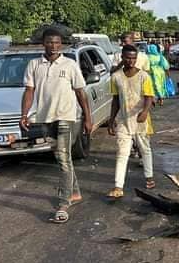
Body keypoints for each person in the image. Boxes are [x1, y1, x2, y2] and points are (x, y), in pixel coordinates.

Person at [21, 27, 93, 224]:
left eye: (57, 43)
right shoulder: (34, 64)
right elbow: (29, 91)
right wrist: (24, 114)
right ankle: (76, 192)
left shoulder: (69, 65)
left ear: (62, 44)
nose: (53, 46)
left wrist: (88, 118)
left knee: (63, 158)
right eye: (49, 42)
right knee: (63, 158)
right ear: (43, 43)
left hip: (66, 117)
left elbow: (81, 93)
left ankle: (64, 202)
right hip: (46, 118)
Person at [106, 44, 155, 199]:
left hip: (140, 119)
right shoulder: (116, 77)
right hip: (123, 120)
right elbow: (115, 100)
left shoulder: (144, 77)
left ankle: (149, 177)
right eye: (128, 57)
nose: (131, 61)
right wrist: (111, 119)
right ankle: (118, 186)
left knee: (144, 149)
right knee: (122, 153)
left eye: (134, 58)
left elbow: (149, 97)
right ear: (122, 57)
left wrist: (145, 112)